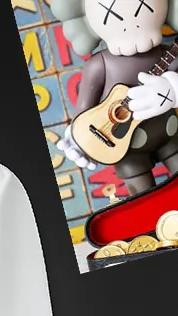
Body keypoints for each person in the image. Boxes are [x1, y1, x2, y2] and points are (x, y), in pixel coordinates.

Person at [54, 0, 178, 195]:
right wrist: (79, 137)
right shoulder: (99, 65)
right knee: (143, 199)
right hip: (123, 151)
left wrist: (173, 89)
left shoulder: (168, 54)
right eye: (110, 11)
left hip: (171, 137)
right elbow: (84, 109)